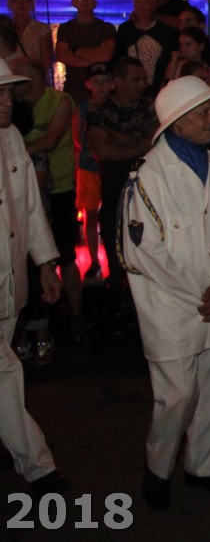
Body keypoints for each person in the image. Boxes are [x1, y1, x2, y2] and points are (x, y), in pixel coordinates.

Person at [119, 76, 210, 509]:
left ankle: (205, 466)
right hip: (171, 305)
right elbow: (143, 251)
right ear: (178, 121)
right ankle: (158, 468)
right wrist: (205, 292)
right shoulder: (148, 176)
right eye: (204, 113)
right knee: (177, 396)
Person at [0, 58, 71, 496]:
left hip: (10, 283)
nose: (8, 100)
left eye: (9, 92)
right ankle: (38, 464)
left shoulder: (10, 138)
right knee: (5, 371)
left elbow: (29, 206)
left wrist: (46, 263)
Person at [9, 59, 78, 362]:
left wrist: (13, 154)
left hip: (59, 190)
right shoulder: (14, 118)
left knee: (64, 255)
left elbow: (50, 141)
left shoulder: (59, 101)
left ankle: (74, 318)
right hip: (23, 219)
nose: (9, 96)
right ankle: (27, 337)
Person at [87, 57, 157, 285]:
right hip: (115, 191)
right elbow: (102, 151)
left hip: (149, 191)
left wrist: (116, 137)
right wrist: (139, 146)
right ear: (118, 82)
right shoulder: (100, 110)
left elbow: (154, 147)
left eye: (143, 79)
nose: (142, 84)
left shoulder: (150, 107)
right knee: (117, 255)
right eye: (136, 80)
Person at [72, 65, 113, 282]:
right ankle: (94, 260)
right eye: (96, 82)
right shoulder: (83, 109)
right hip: (89, 167)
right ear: (88, 85)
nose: (101, 87)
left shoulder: (115, 107)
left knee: (112, 212)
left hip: (110, 166)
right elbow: (77, 139)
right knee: (90, 214)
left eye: (105, 82)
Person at [54, 0, 116, 105]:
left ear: (95, 3)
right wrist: (94, 60)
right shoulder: (65, 29)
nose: (85, 1)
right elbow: (62, 55)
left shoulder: (106, 28)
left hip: (101, 89)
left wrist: (75, 51)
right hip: (74, 88)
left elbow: (106, 54)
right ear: (74, 2)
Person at [115, 0, 178, 93]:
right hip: (130, 87)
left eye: (146, 3)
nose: (142, 6)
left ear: (154, 5)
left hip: (157, 86)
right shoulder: (125, 30)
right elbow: (119, 57)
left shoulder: (164, 31)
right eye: (138, 2)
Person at [6, 0, 52, 75]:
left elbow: (46, 59)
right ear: (10, 4)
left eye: (26, 0)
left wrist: (38, 77)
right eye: (16, 0)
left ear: (32, 4)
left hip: (34, 75)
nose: (21, 3)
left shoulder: (42, 28)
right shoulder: (5, 28)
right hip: (9, 76)